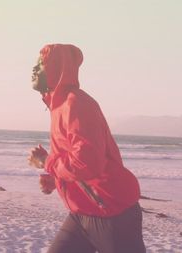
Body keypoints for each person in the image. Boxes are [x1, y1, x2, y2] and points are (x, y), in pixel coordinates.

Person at [28, 44, 146, 253]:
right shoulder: (58, 106)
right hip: (82, 214)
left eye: (41, 64)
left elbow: (86, 164)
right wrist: (57, 180)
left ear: (58, 68)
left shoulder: (77, 104)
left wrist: (47, 162)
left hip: (113, 215)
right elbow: (76, 160)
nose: (34, 69)